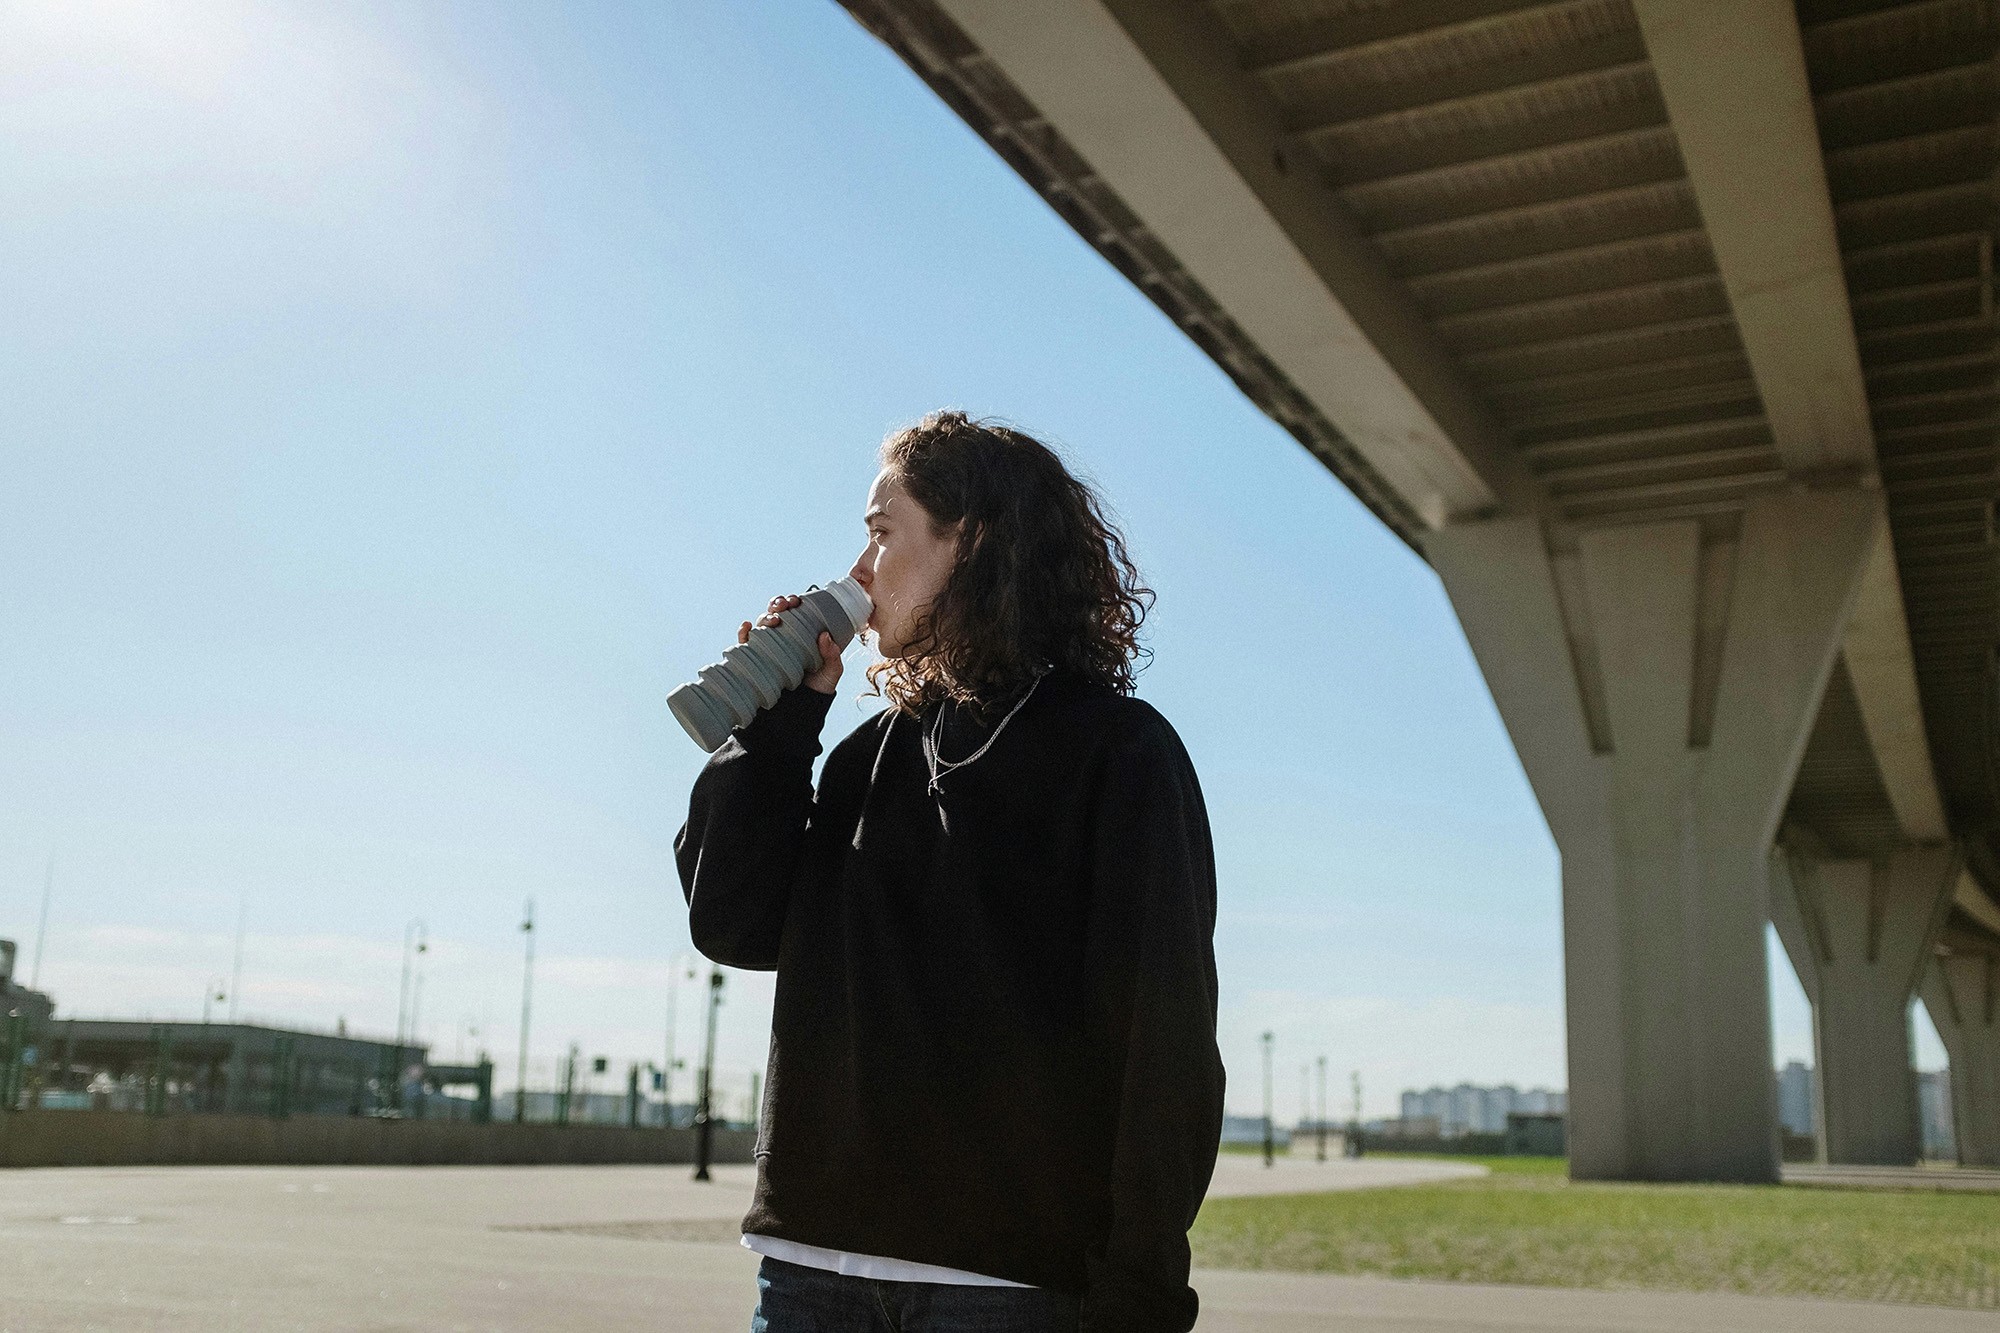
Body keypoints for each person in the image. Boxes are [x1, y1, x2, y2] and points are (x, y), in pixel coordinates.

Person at [676, 411, 1224, 1333]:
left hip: (1006, 1285)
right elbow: (732, 920)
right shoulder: (862, 759)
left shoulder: (1119, 752)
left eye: (882, 533)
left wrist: (1141, 1294)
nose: (860, 569)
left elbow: (1163, 1044)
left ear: (969, 539)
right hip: (811, 1271)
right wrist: (775, 728)